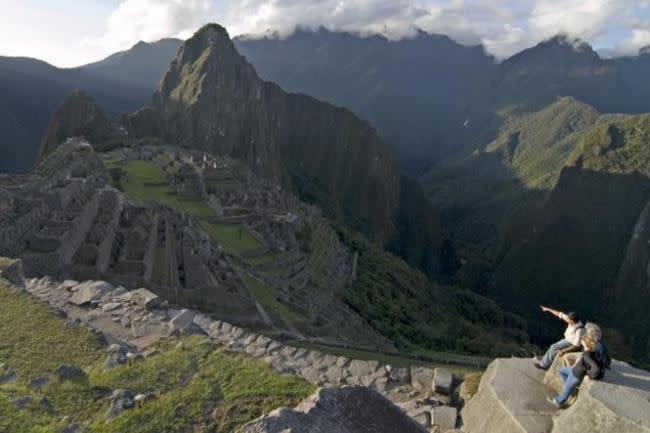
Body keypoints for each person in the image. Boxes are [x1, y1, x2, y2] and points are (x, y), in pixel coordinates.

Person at [548, 333, 602, 407]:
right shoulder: (590, 351)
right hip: (573, 370)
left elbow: (596, 368)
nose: (581, 340)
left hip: (576, 375)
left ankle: (558, 402)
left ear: (586, 342)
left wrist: (589, 375)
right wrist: (579, 360)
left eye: (582, 339)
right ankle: (571, 388)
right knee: (561, 370)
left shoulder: (587, 355)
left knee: (565, 392)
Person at [535, 306, 585, 370]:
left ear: (572, 321)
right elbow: (559, 314)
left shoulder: (580, 329)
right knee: (554, 349)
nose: (567, 320)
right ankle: (547, 359)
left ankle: (544, 365)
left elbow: (576, 345)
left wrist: (564, 350)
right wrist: (548, 309)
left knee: (553, 347)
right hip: (567, 340)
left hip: (570, 343)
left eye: (569, 320)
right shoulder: (573, 320)